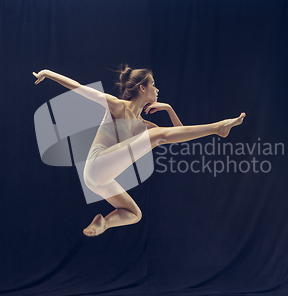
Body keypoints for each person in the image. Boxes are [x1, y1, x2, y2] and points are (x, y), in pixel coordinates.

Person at [33, 66, 245, 237]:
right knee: (156, 137)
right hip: (96, 164)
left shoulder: (144, 126)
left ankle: (103, 223)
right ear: (142, 88)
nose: (157, 89)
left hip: (100, 181)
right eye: (154, 84)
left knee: (134, 213)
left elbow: (179, 134)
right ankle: (219, 127)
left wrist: (168, 108)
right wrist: (48, 73)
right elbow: (79, 88)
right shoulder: (117, 106)